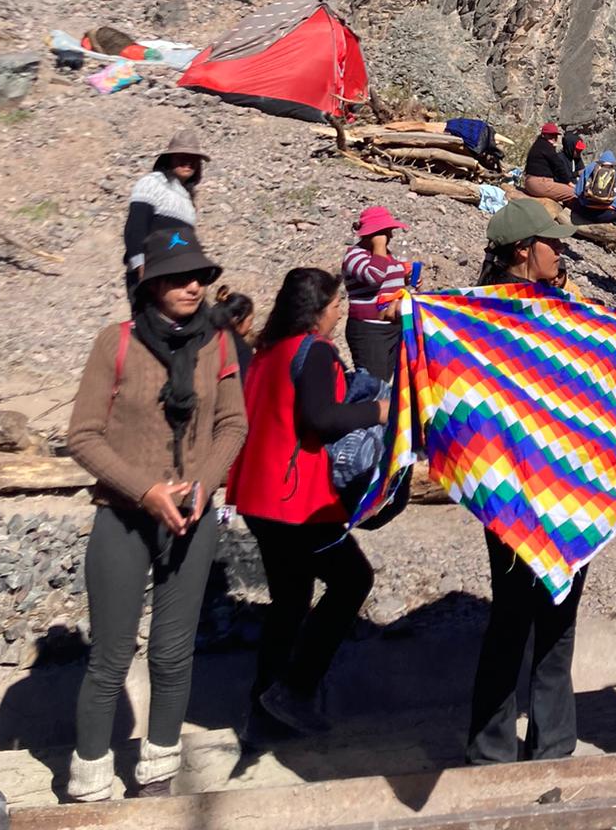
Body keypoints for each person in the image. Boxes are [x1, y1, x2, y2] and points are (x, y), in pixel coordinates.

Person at [65, 227, 246, 802]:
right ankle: (91, 783)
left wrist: (203, 482)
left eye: (201, 275)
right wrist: (145, 490)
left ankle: (157, 776)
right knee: (111, 656)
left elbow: (232, 424)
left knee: (173, 652)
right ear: (150, 284)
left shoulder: (217, 346)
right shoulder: (113, 343)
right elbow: (83, 436)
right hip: (123, 516)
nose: (195, 285)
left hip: (192, 519)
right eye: (181, 276)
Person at [227, 267, 387, 742]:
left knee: (290, 600)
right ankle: (295, 688)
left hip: (256, 496)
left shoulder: (268, 350)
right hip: (296, 499)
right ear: (317, 311)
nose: (339, 312)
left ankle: (264, 712)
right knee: (353, 579)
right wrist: (377, 410)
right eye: (336, 304)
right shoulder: (314, 352)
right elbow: (323, 417)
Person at [466, 199, 587, 765]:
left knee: (555, 617)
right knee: (515, 620)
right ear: (523, 250)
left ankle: (549, 746)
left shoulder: (562, 309)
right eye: (551, 243)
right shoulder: (479, 318)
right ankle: (493, 751)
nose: (559, 252)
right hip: (512, 496)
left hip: (567, 489)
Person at [122, 128, 207, 297]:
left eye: (193, 159)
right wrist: (141, 266)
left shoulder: (187, 200)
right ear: (169, 159)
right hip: (151, 272)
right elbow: (135, 226)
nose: (188, 162)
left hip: (176, 278)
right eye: (182, 157)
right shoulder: (152, 183)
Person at [342, 206, 410, 381]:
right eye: (387, 232)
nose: (391, 237)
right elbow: (374, 276)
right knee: (373, 383)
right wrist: (378, 245)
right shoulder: (355, 256)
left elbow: (391, 283)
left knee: (386, 380)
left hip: (392, 327)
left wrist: (408, 279)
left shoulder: (385, 255)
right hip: (369, 330)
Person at [571, 149, 616, 227]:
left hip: (588, 211)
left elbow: (578, 192)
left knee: (575, 202)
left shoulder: (590, 167)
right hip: (609, 213)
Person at [523, 122, 577, 205]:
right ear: (544, 135)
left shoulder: (538, 145)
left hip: (530, 182)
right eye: (551, 135)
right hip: (540, 183)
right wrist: (568, 182)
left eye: (555, 136)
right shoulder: (546, 146)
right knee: (575, 192)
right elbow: (558, 166)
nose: (554, 138)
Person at [212, 288, 255, 381]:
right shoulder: (242, 349)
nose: (251, 326)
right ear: (236, 320)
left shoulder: (207, 333)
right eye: (250, 321)